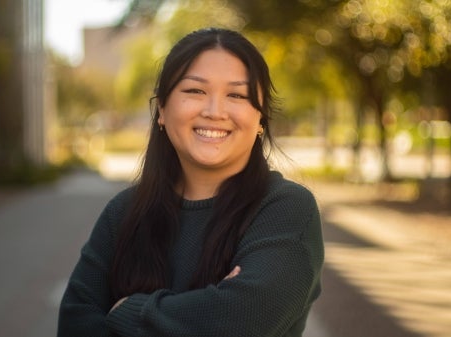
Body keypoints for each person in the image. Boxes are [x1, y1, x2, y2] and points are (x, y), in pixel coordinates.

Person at [57, 27, 324, 337]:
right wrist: (205, 309)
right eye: (195, 91)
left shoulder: (286, 210)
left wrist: (128, 313)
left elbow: (242, 321)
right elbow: (75, 324)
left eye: (236, 95)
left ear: (260, 119)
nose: (214, 112)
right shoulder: (123, 213)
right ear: (161, 110)